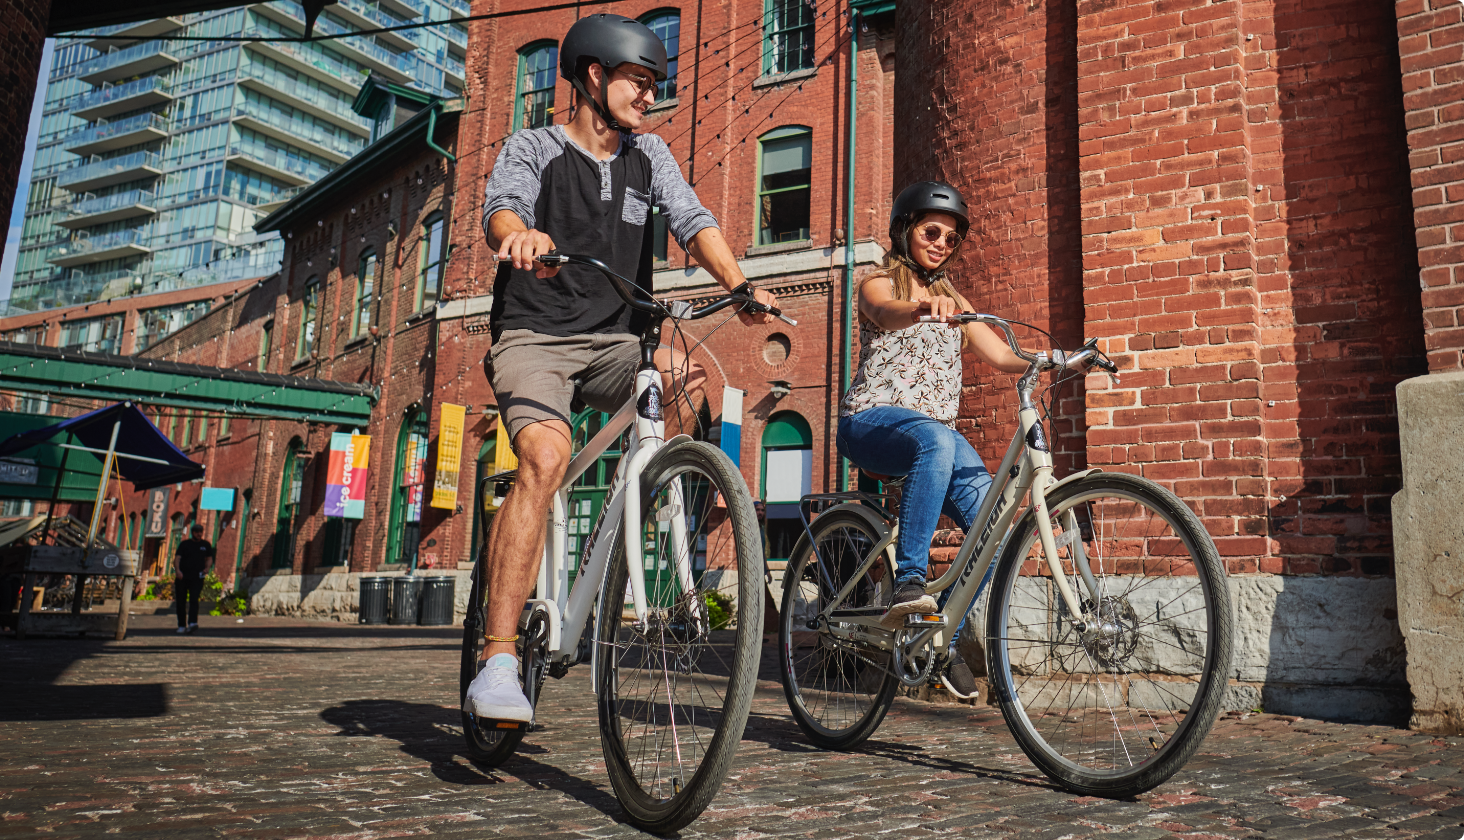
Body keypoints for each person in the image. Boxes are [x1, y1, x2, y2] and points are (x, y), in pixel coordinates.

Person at [465, 13, 778, 724]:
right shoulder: (534, 147)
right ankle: (498, 658)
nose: (649, 97)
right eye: (639, 82)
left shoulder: (649, 156)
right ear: (595, 78)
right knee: (546, 456)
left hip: (616, 340)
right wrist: (521, 238)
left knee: (690, 378)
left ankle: (637, 504)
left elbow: (692, 219)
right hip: (535, 337)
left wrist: (738, 283)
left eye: (654, 85)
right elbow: (501, 211)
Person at [837, 181, 1039, 699]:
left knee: (991, 529)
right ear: (906, 230)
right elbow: (884, 312)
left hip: (934, 440)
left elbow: (1000, 356)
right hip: (872, 420)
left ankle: (934, 637)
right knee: (936, 439)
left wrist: (1053, 361)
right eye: (932, 232)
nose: (941, 244)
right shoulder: (878, 282)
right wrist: (922, 309)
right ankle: (909, 581)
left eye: (951, 239)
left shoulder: (955, 300)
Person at [174, 523, 215, 634]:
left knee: (194, 599)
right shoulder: (184, 544)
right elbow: (177, 558)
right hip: (182, 577)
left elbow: (209, 558)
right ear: (192, 533)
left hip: (197, 577)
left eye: (200, 532)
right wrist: (177, 571)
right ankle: (181, 625)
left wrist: (207, 568)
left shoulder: (205, 545)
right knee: (181, 601)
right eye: (197, 532)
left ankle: (192, 622)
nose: (199, 534)